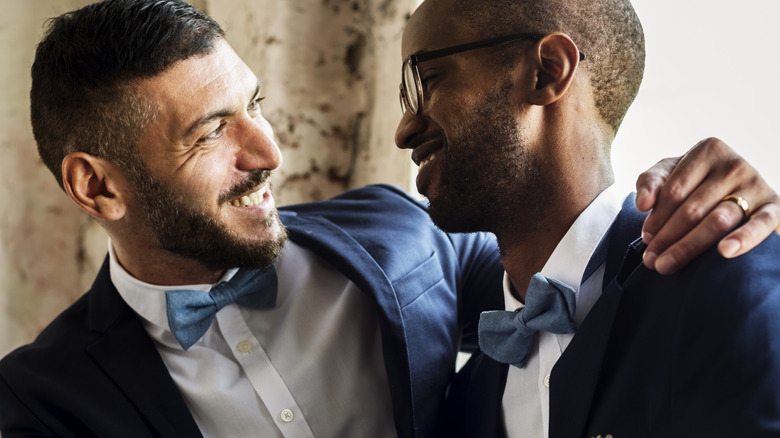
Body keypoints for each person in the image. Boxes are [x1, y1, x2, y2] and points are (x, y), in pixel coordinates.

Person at [0, 1, 777, 438]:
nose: (268, 152)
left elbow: (564, 249)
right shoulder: (39, 404)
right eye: (210, 133)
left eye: (256, 108)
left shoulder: (399, 237)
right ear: (97, 188)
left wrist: (695, 186)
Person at [392, 0, 780, 437]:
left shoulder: (726, 273)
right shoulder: (466, 400)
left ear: (547, 72)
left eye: (427, 82)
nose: (403, 130)